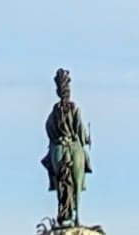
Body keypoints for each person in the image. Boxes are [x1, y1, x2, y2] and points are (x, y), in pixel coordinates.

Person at [42, 67, 93, 229]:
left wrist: (54, 141)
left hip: (58, 147)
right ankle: (77, 217)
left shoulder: (54, 111)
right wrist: (86, 139)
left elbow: (48, 128)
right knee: (78, 179)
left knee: (55, 174)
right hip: (73, 145)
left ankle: (59, 203)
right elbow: (80, 129)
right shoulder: (74, 108)